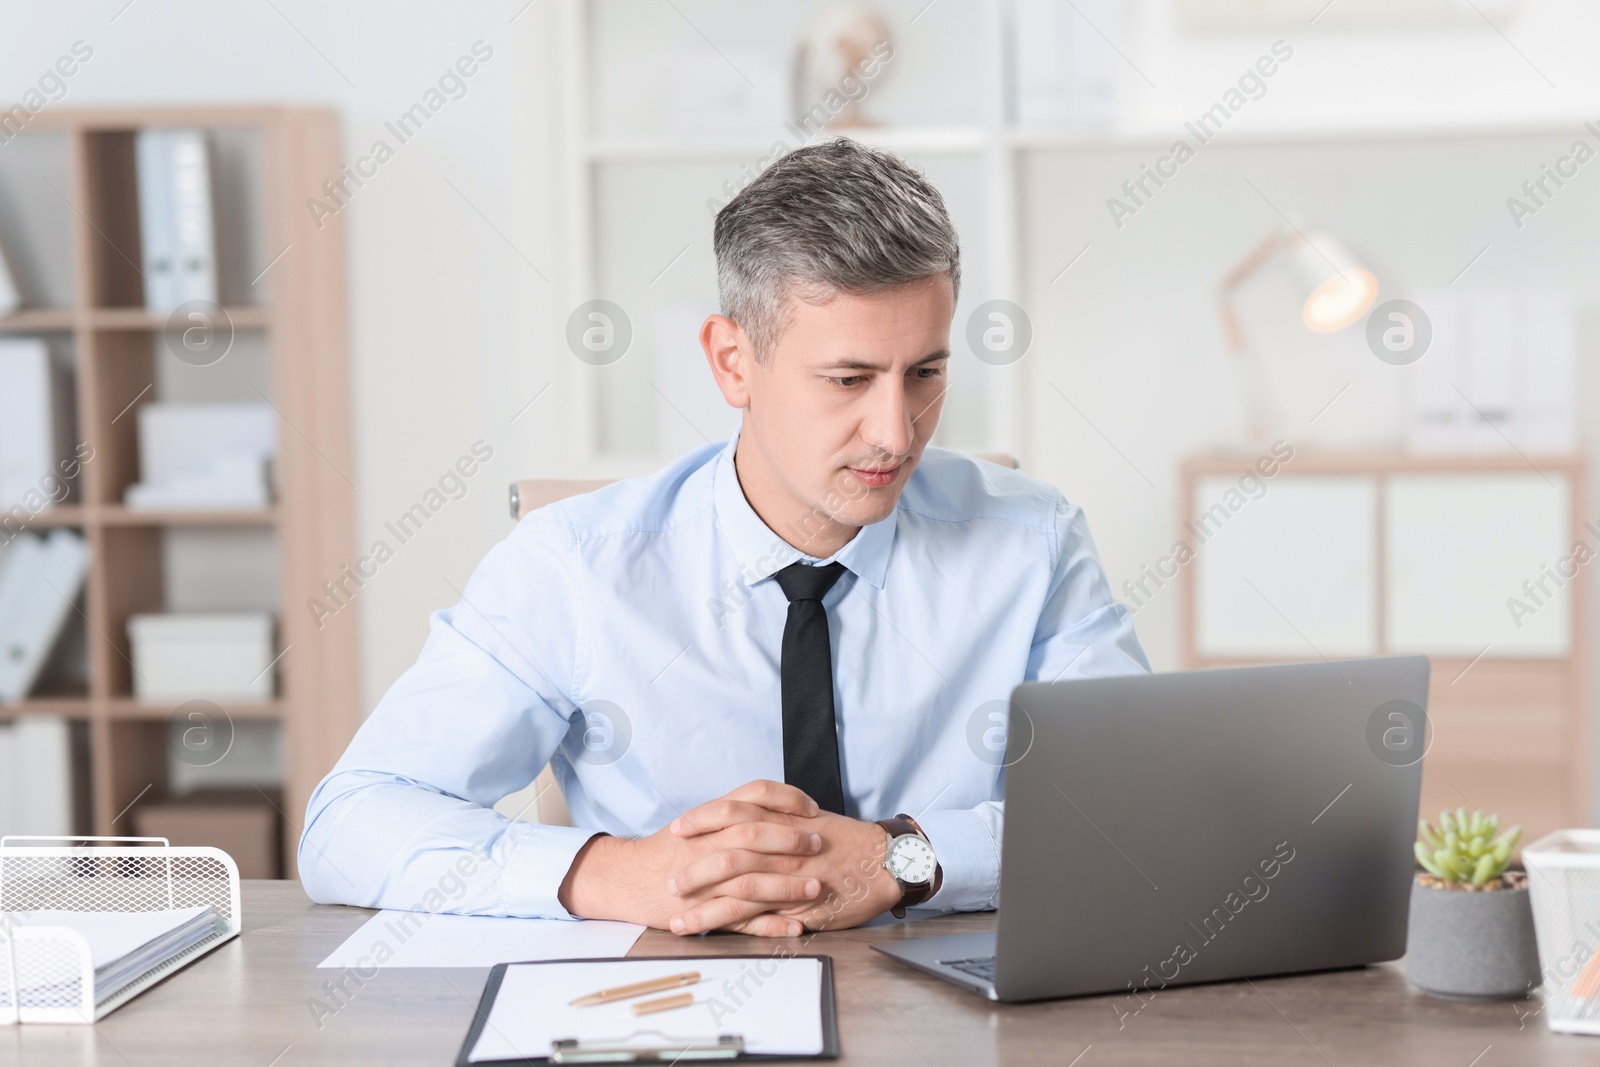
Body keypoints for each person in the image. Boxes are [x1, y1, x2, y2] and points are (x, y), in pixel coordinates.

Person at [299, 137, 1148, 937]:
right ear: (732, 361)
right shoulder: (574, 566)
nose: (897, 431)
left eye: (925, 373)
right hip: (669, 1011)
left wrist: (906, 855)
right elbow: (351, 819)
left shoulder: (1033, 543)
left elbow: (1134, 808)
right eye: (848, 379)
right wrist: (616, 873)